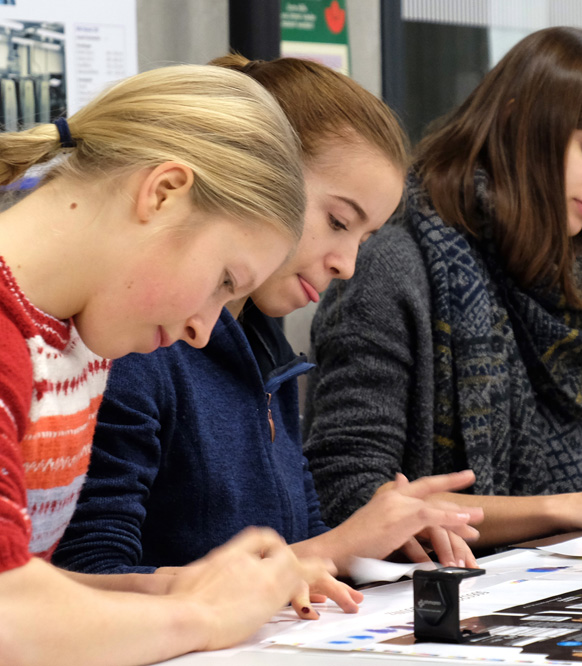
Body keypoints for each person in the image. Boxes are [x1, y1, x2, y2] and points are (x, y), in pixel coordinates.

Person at [303, 26, 582, 550]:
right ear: (518, 122)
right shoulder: (392, 264)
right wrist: (577, 505)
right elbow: (349, 499)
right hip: (405, 604)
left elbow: (575, 494)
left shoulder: (559, 289)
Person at [53, 56, 484, 585]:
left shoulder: (268, 352)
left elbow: (299, 548)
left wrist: (354, 548)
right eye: (337, 222)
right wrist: (336, 547)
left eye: (363, 239)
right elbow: (83, 578)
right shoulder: (133, 338)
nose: (346, 264)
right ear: (264, 178)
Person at [0, 64, 358, 665]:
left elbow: (22, 579)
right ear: (163, 191)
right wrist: (204, 615)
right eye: (223, 281)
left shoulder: (69, 344)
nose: (201, 329)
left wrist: (163, 587)